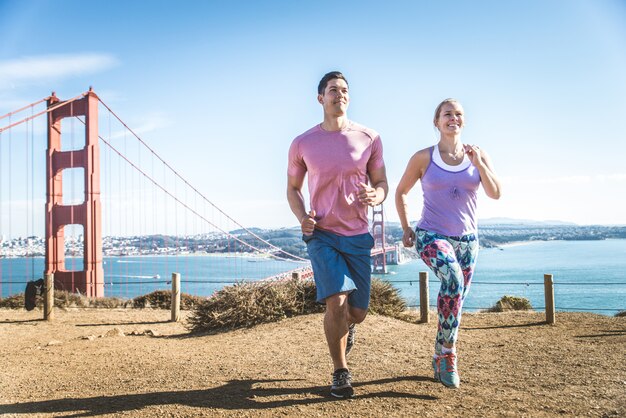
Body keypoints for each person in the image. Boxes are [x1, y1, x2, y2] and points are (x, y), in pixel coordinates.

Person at [287, 71, 388, 398]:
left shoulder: (369, 137)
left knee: (356, 312)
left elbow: (382, 183)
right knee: (337, 301)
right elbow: (292, 189)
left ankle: (349, 326)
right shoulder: (303, 143)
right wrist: (303, 218)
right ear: (321, 98)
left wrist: (378, 196)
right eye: (333, 90)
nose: (339, 95)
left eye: (344, 90)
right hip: (323, 234)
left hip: (358, 235)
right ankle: (340, 372)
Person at [395, 98, 501, 389]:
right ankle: (448, 356)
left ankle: (440, 352)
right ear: (436, 121)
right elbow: (401, 191)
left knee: (456, 301)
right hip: (431, 235)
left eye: (458, 114)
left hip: (468, 240)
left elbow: (495, 193)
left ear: (463, 121)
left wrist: (479, 163)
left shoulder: (478, 155)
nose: (453, 118)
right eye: (447, 114)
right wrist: (406, 228)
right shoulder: (423, 157)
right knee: (452, 278)